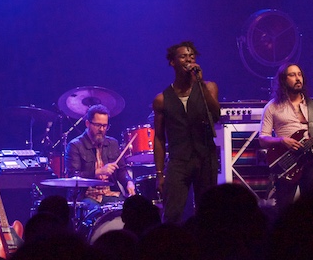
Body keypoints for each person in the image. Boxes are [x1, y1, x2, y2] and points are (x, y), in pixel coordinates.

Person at [152, 41, 221, 224]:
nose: (189, 59)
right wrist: (160, 174)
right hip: (179, 161)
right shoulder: (161, 99)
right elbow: (159, 138)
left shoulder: (209, 87)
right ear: (173, 62)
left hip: (205, 157)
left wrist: (200, 84)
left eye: (192, 56)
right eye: (183, 56)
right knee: (172, 213)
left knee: (208, 214)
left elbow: (216, 114)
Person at [259, 62, 313, 209]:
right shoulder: (272, 107)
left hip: (310, 161)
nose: (298, 78)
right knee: (284, 209)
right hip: (287, 162)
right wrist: (281, 140)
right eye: (292, 75)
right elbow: (263, 139)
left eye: (299, 74)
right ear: (283, 80)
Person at [64, 104, 135, 207]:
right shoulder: (75, 145)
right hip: (86, 196)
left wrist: (129, 182)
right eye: (98, 125)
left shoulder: (112, 144)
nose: (102, 129)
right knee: (94, 213)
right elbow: (73, 177)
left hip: (110, 194)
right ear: (88, 124)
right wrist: (98, 172)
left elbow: (122, 171)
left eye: (105, 126)